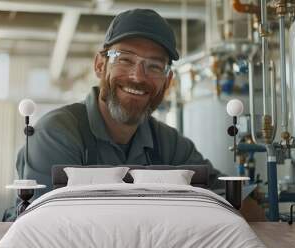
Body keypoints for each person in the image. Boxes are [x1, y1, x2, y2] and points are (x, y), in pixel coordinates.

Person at [16, 8, 225, 198]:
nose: (138, 77)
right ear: (100, 65)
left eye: (154, 66)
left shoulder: (169, 145)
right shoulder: (57, 134)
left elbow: (233, 199)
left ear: (168, 81)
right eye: (125, 59)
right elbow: (50, 224)